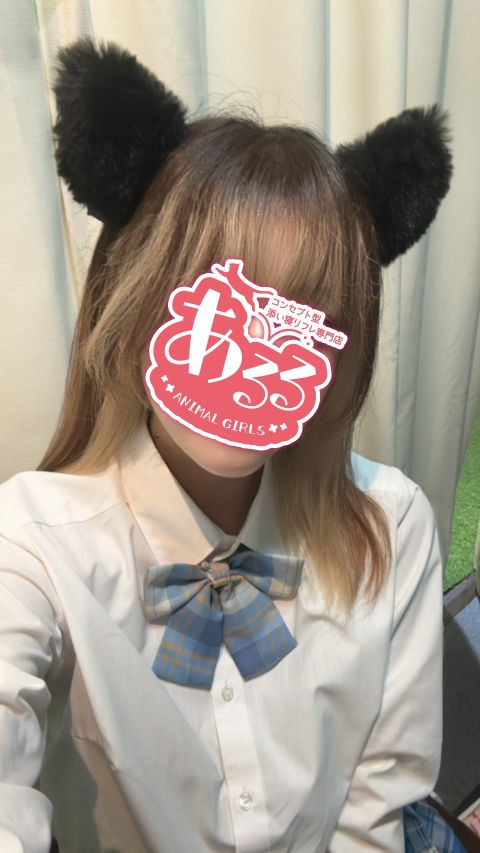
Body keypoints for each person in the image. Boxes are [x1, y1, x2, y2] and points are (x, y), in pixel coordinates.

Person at [0, 36, 471, 853]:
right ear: (134, 305)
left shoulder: (392, 523)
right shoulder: (35, 540)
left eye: (300, 323)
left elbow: (381, 796)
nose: (249, 360)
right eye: (220, 309)